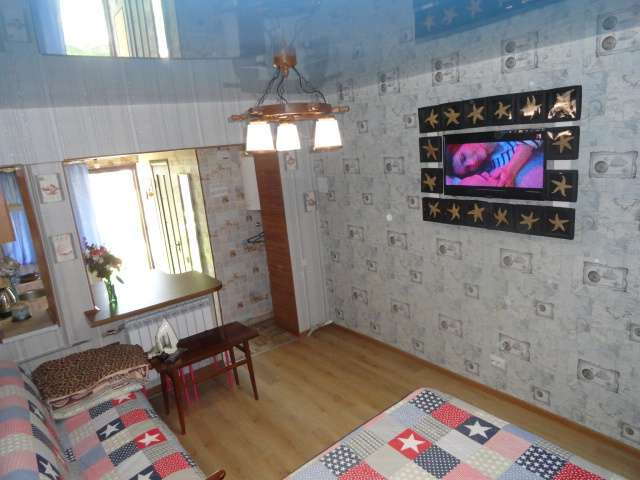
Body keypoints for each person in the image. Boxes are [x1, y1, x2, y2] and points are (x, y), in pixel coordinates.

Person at [447, 139, 543, 188]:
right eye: (468, 169)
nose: (472, 162)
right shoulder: (495, 169)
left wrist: (511, 170)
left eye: (463, 157)